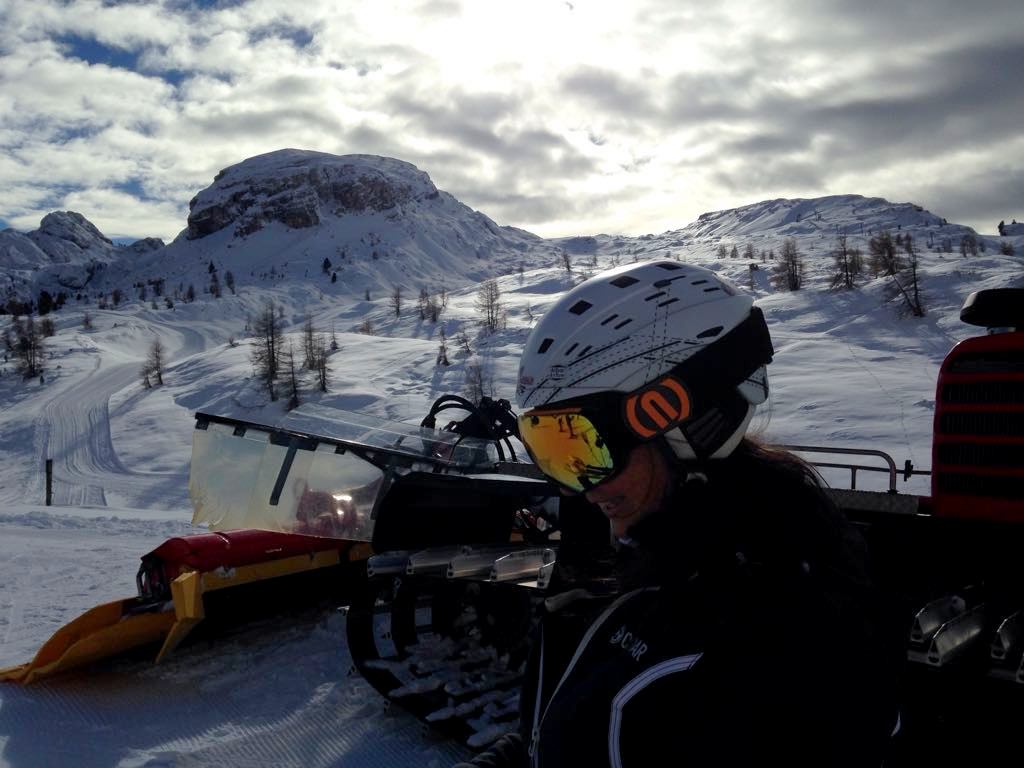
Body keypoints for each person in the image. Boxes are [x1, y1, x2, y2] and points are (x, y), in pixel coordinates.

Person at [456, 260, 900, 767]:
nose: (577, 488)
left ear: (675, 419)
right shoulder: (652, 568)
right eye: (551, 450)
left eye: (586, 448)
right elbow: (562, 731)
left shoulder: (784, 642)